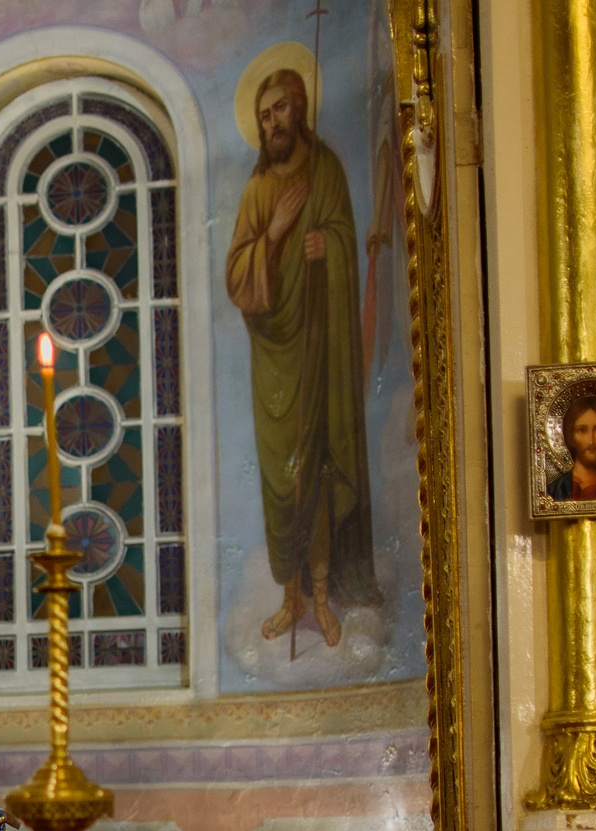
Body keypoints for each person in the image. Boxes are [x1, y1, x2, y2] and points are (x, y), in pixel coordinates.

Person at [225, 64, 380, 649]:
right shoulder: (258, 191)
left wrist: (329, 246)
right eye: (263, 117)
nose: (271, 123)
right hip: (274, 359)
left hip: (321, 346)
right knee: (280, 479)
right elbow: (238, 279)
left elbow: (347, 240)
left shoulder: (327, 173)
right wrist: (275, 234)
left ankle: (320, 595)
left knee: (316, 468)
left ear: (299, 107)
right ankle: (289, 600)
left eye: (279, 110)